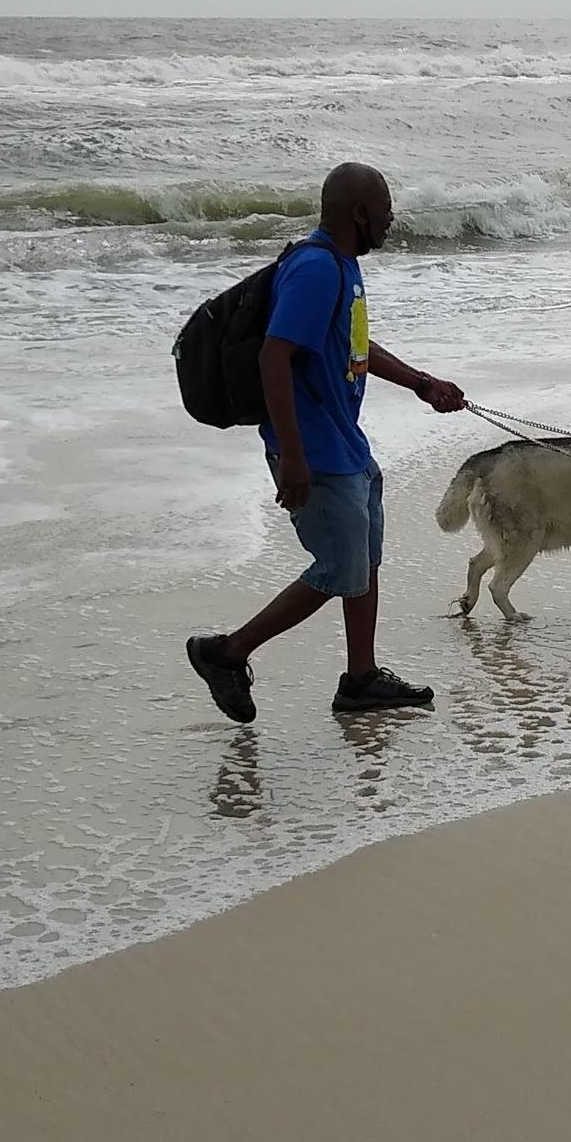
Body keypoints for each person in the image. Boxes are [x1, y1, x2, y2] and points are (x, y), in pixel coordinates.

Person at [186, 162, 465, 722]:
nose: (391, 218)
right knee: (339, 567)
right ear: (360, 212)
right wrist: (292, 455)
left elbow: (353, 343)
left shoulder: (343, 267)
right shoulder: (315, 268)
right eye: (385, 207)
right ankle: (227, 652)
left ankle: (360, 679)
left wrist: (421, 383)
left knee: (363, 564)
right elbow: (274, 355)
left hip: (347, 446)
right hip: (315, 451)